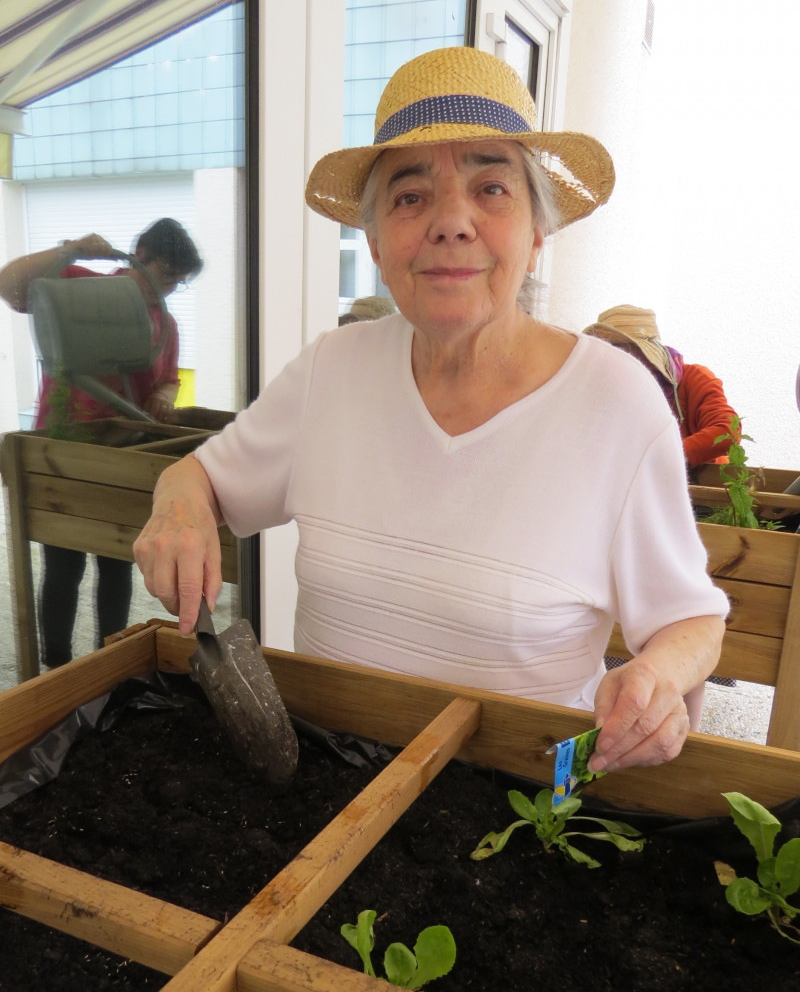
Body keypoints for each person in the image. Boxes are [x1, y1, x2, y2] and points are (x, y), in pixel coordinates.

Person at [134, 47, 727, 777]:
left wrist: (659, 681)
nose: (452, 221)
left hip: (519, 804)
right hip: (322, 788)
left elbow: (690, 621)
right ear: (378, 244)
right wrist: (179, 507)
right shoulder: (333, 369)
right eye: (411, 196)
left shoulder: (617, 403)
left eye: (491, 188)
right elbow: (199, 479)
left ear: (537, 234)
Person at [0, 217, 203, 668]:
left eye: (177, 282)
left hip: (124, 458)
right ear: (141, 257)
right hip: (63, 454)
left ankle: (107, 668)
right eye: (166, 275)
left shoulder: (164, 325)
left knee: (116, 567)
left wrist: (161, 397)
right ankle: (55, 670)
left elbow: (168, 380)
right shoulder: (78, 288)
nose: (168, 289)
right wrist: (70, 249)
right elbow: (10, 285)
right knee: (62, 568)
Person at [583, 305, 741, 469]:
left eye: (621, 352)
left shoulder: (695, 378)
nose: (615, 362)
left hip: (698, 489)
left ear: (644, 352)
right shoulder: (613, 390)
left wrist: (660, 457)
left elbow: (728, 431)